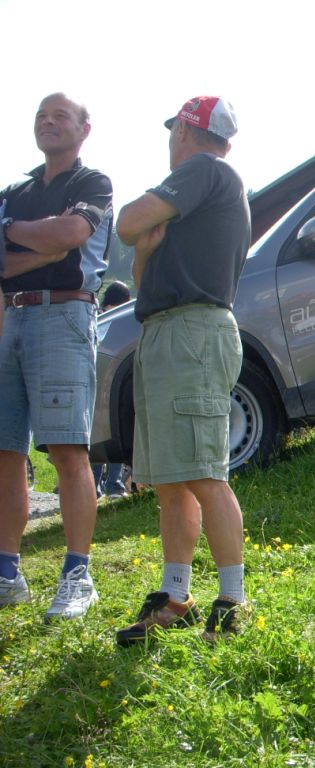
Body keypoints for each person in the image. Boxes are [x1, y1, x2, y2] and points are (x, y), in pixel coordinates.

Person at [113, 96, 250, 645]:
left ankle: (233, 600)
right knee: (172, 478)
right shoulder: (195, 198)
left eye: (174, 132)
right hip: (166, 331)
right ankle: (176, 597)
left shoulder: (204, 170)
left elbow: (127, 223)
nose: (171, 140)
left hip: (191, 333)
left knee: (203, 473)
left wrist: (141, 231)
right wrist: (146, 249)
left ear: (185, 133)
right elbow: (141, 273)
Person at [0, 93, 112, 620]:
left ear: (84, 128)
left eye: (60, 115)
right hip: (11, 317)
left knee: (67, 450)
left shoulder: (92, 183)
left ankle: (78, 575)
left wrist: (13, 233)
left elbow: (72, 235)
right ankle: (7, 574)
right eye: (41, 116)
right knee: (5, 451)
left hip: (65, 314)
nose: (48, 122)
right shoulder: (15, 191)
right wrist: (42, 243)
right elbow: (12, 260)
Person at [92, 281, 132, 498]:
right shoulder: (116, 321)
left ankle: (98, 485)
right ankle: (111, 484)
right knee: (111, 435)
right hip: (108, 387)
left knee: (100, 436)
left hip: (98, 385)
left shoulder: (98, 318)